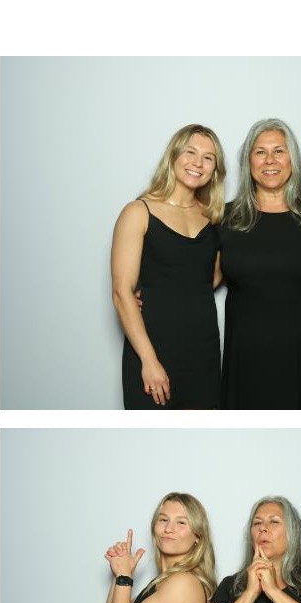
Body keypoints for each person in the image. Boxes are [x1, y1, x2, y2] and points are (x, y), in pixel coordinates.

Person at [111, 124, 225, 409]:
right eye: (190, 152)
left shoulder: (214, 219)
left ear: (215, 169)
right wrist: (149, 361)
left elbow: (209, 278)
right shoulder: (138, 212)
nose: (198, 163)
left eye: (208, 157)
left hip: (204, 352)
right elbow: (122, 293)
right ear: (173, 156)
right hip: (153, 350)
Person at [218, 119, 301, 407]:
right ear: (248, 161)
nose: (270, 160)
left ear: (292, 159)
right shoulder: (226, 218)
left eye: (279, 151)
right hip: (246, 356)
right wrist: (153, 291)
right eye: (260, 152)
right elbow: (199, 277)